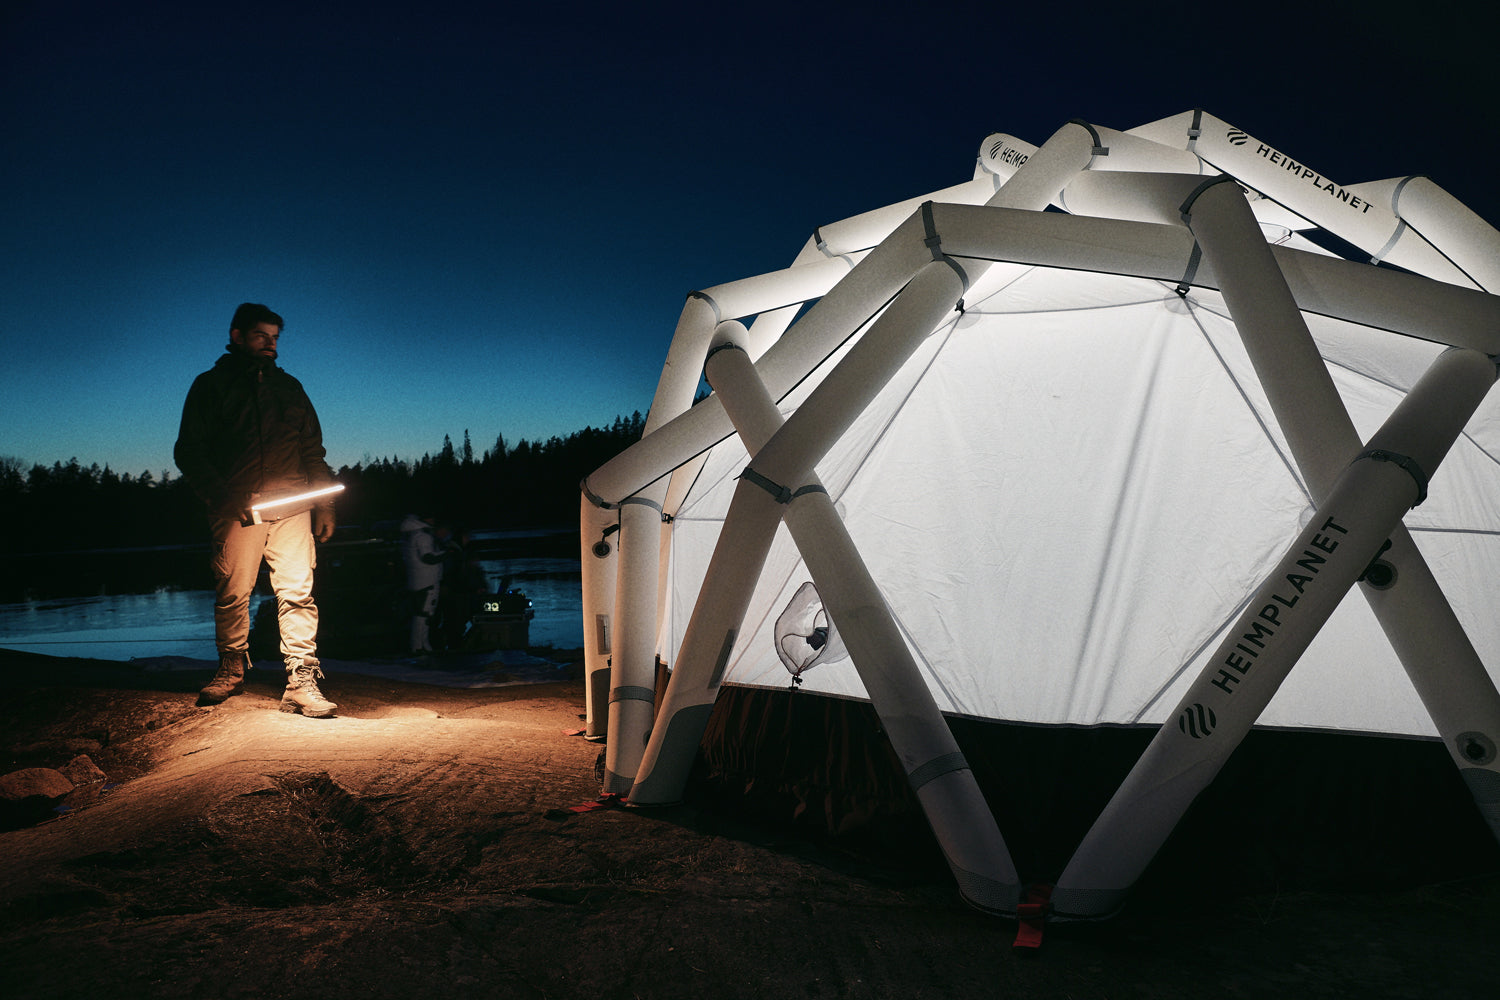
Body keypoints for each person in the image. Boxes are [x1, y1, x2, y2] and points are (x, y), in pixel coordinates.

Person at [174, 302, 339, 717]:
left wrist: (324, 503)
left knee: (298, 592)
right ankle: (231, 668)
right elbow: (189, 451)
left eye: (275, 337)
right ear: (237, 337)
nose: (271, 344)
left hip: (293, 504)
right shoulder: (211, 386)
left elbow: (312, 450)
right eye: (261, 335)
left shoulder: (290, 388)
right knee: (233, 591)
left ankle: (301, 680)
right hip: (239, 508)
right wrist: (223, 499)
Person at [400, 512, 450, 654]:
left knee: (420, 614)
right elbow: (428, 558)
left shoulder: (410, 535)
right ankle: (420, 646)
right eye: (430, 518)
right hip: (427, 581)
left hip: (417, 580)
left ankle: (420, 645)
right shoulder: (423, 536)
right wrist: (447, 553)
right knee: (424, 615)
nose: (433, 520)